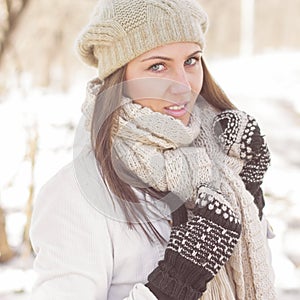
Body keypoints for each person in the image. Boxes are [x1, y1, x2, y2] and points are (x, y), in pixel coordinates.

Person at [29, 0, 276, 299]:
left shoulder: (218, 167)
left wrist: (249, 195)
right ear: (120, 77)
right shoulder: (75, 194)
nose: (183, 85)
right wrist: (173, 285)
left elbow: (252, 278)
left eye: (191, 61)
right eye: (157, 66)